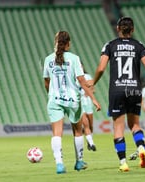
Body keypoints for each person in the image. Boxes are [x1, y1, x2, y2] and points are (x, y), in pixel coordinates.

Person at [92, 16, 145, 172]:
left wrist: (93, 82)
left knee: (118, 127)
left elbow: (101, 68)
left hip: (117, 90)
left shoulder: (110, 45)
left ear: (118, 29)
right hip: (134, 89)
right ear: (133, 30)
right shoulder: (139, 46)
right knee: (135, 125)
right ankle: (141, 148)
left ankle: (123, 162)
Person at [43, 31, 101, 174]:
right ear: (68, 44)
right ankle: (79, 162)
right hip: (73, 100)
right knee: (77, 130)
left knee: (57, 133)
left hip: (55, 100)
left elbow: (46, 81)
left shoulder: (48, 59)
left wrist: (52, 94)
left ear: (55, 43)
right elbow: (82, 82)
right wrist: (93, 99)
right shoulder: (74, 59)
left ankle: (59, 164)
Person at [79, 64, 97, 151]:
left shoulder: (87, 76)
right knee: (85, 123)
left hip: (88, 102)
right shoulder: (74, 77)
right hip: (80, 102)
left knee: (90, 125)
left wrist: (89, 92)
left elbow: (93, 89)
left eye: (81, 66)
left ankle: (89, 141)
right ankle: (91, 143)